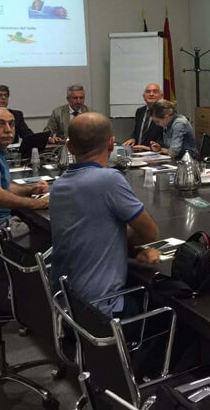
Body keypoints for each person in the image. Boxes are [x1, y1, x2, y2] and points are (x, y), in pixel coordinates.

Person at [50, 112, 160, 316]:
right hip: (101, 311)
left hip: (65, 305)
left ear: (69, 147)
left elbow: (89, 233)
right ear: (111, 144)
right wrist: (128, 243)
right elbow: (150, 233)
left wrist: (127, 248)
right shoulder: (109, 180)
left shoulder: (57, 186)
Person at [122, 83, 164, 151]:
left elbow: (168, 138)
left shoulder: (166, 112)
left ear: (161, 96)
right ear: (144, 96)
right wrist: (133, 138)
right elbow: (137, 132)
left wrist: (152, 147)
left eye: (155, 91)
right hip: (138, 153)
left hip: (155, 153)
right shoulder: (140, 111)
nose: (151, 94)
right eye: (148, 91)